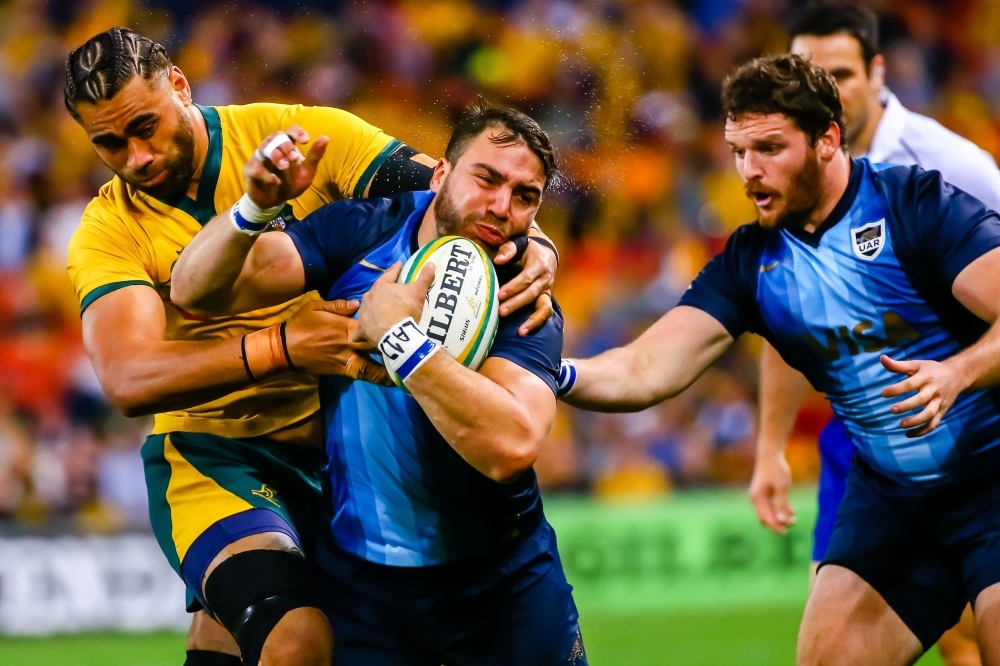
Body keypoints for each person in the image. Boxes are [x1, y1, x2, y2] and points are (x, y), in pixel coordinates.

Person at [64, 27, 559, 666]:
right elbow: (129, 378)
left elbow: (457, 196)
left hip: (336, 456)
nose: (136, 157)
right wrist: (283, 347)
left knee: (233, 636)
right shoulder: (107, 232)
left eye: (145, 127)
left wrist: (538, 244)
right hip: (219, 458)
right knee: (296, 639)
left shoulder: (306, 136)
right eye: (109, 142)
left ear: (179, 86)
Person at [558, 54, 1000, 665]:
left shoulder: (914, 205)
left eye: (769, 147)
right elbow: (645, 368)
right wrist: (550, 373)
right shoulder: (751, 264)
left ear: (827, 139)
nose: (750, 171)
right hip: (897, 501)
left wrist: (958, 372)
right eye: (739, 151)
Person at [171, 100, 584, 666]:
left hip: (503, 585)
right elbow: (195, 292)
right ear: (440, 173)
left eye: (524, 196)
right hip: (365, 591)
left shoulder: (522, 293)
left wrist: (399, 338)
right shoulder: (365, 228)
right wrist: (252, 210)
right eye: (486, 178)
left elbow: (510, 446)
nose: (500, 206)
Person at [749, 5, 999, 663]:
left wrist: (963, 370)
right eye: (808, 73)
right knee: (833, 645)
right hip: (862, 438)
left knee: (972, 635)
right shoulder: (786, 173)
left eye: (839, 73)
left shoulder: (949, 167)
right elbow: (782, 317)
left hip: (975, 423)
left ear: (877, 73)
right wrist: (770, 445)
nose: (824, 87)